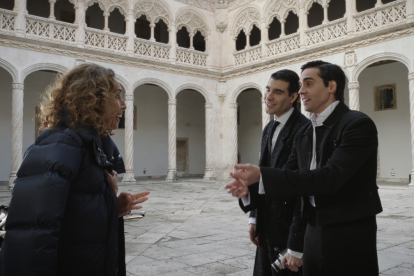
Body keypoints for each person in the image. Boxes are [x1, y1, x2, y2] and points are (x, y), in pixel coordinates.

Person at [226, 60, 383, 276]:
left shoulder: (356, 124)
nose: (301, 91)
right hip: (313, 229)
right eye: (300, 85)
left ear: (331, 86)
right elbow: (289, 176)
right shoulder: (305, 133)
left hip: (349, 229)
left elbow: (330, 178)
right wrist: (252, 186)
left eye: (308, 84)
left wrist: (262, 175)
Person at [0, 63, 150, 276]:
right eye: (117, 95)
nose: (124, 105)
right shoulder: (62, 146)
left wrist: (112, 207)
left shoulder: (84, 146)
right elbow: (33, 235)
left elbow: (72, 222)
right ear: (93, 99)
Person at [239, 70, 308, 276]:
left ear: (293, 97)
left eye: (277, 92)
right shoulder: (269, 127)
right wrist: (254, 219)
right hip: (266, 225)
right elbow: (262, 171)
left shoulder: (304, 130)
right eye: (268, 89)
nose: (268, 96)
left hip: (286, 228)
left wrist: (296, 242)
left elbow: (303, 189)